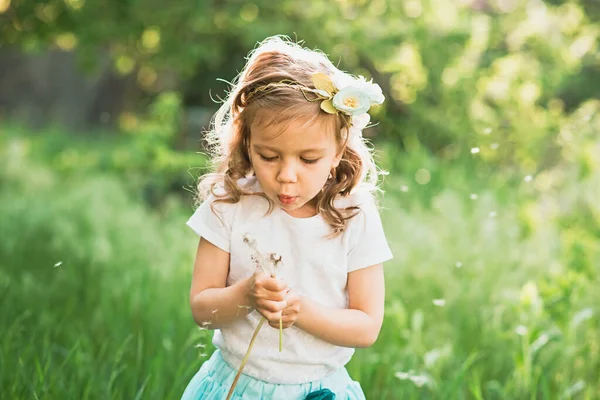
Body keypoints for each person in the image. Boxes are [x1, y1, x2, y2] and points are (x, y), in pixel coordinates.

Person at [181, 35, 393, 400]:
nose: (286, 175)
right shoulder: (230, 204)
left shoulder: (354, 215)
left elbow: (367, 326)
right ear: (247, 143)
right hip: (236, 385)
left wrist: (302, 310)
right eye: (268, 156)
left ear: (338, 149)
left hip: (318, 390)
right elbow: (202, 309)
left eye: (308, 159)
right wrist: (245, 295)